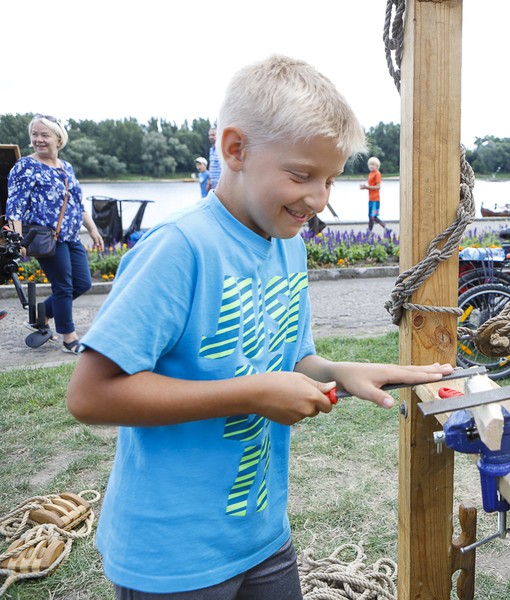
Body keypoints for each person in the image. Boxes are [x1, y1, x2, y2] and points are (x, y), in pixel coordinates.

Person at [66, 55, 453, 598]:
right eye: (300, 176)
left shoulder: (287, 245)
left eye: (330, 179)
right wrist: (252, 394)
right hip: (174, 554)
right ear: (234, 149)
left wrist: (341, 372)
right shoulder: (180, 248)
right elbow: (91, 396)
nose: (317, 199)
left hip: (261, 534)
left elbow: (289, 359)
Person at [5, 114, 104, 354]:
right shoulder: (26, 166)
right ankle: (69, 338)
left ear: (58, 139)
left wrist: (92, 229)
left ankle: (44, 313)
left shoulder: (66, 167)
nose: (38, 139)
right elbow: (15, 206)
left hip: (70, 235)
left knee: (83, 283)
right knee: (63, 286)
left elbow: (77, 204)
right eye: (35, 134)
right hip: (46, 236)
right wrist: (17, 240)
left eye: (44, 135)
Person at [360, 156, 387, 232]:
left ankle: (369, 232)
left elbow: (378, 187)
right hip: (371, 198)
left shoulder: (377, 174)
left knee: (372, 216)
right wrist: (365, 187)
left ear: (377, 166)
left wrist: (366, 187)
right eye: (369, 164)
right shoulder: (370, 174)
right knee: (371, 216)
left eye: (373, 164)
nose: (371, 166)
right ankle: (386, 229)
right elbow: (370, 186)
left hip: (376, 199)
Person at [207, 126, 221, 193]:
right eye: (209, 135)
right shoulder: (211, 149)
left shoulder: (221, 148)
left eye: (213, 135)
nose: (210, 137)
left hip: (220, 183)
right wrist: (209, 180)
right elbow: (211, 165)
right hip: (213, 183)